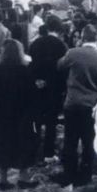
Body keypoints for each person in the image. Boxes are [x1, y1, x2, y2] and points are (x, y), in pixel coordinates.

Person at [56, 25, 97, 187]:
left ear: (82, 37)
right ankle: (85, 174)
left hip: (72, 102)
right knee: (89, 140)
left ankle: (69, 173)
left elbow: (59, 66)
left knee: (70, 140)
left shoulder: (73, 53)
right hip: (92, 105)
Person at [0, 39, 39, 190]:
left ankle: (3, 179)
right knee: (24, 143)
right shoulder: (25, 70)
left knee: (3, 144)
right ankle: (23, 177)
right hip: (21, 114)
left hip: (1, 114)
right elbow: (32, 94)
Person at [29, 15, 68, 162]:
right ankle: (48, 153)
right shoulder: (62, 46)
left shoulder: (35, 43)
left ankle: (33, 151)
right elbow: (62, 70)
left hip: (37, 86)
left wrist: (37, 80)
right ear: (59, 29)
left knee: (36, 119)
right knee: (51, 121)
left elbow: (31, 65)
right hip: (54, 88)